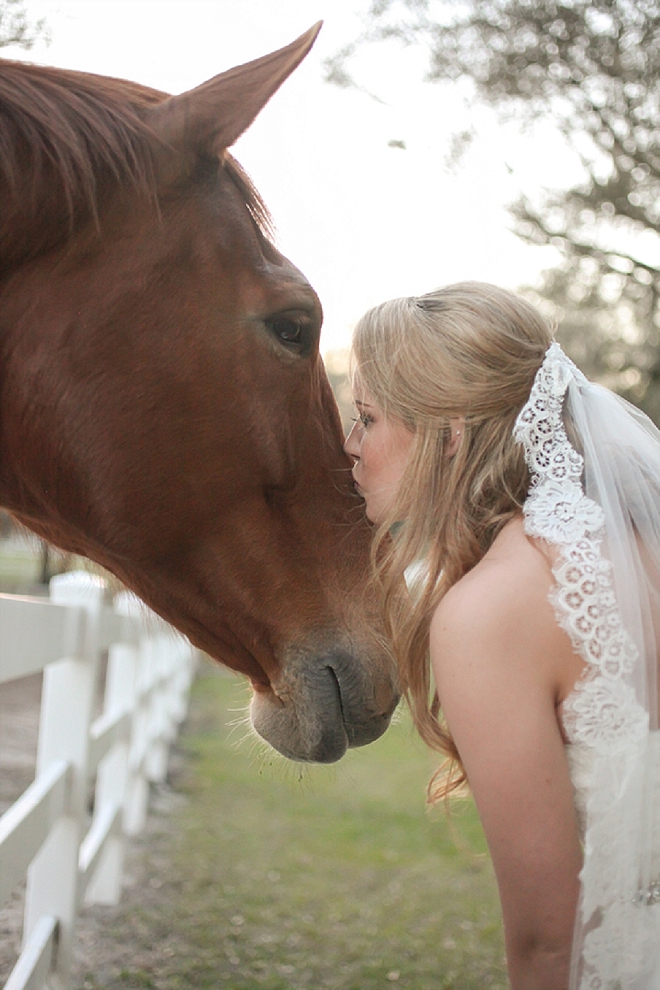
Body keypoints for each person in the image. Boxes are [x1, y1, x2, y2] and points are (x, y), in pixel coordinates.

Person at [343, 281, 660, 990]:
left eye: (366, 418)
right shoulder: (642, 547)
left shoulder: (489, 612)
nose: (350, 446)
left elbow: (550, 943)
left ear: (449, 436)